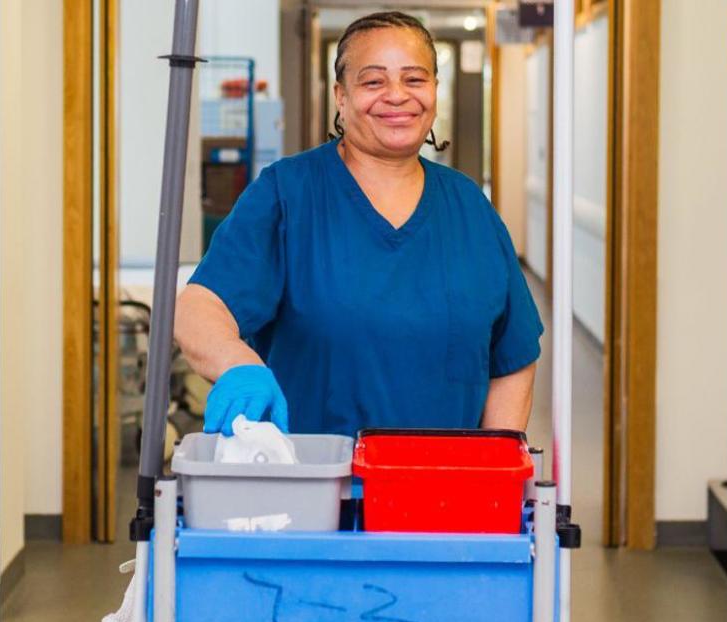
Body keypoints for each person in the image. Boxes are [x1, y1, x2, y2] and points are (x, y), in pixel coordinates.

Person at [176, 11, 543, 443]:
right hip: (315, 490)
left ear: (434, 91)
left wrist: (489, 467)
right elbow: (198, 309)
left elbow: (513, 355)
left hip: (445, 492)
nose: (396, 95)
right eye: (373, 82)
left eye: (414, 79)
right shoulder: (289, 194)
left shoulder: (468, 207)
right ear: (341, 96)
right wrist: (240, 366)